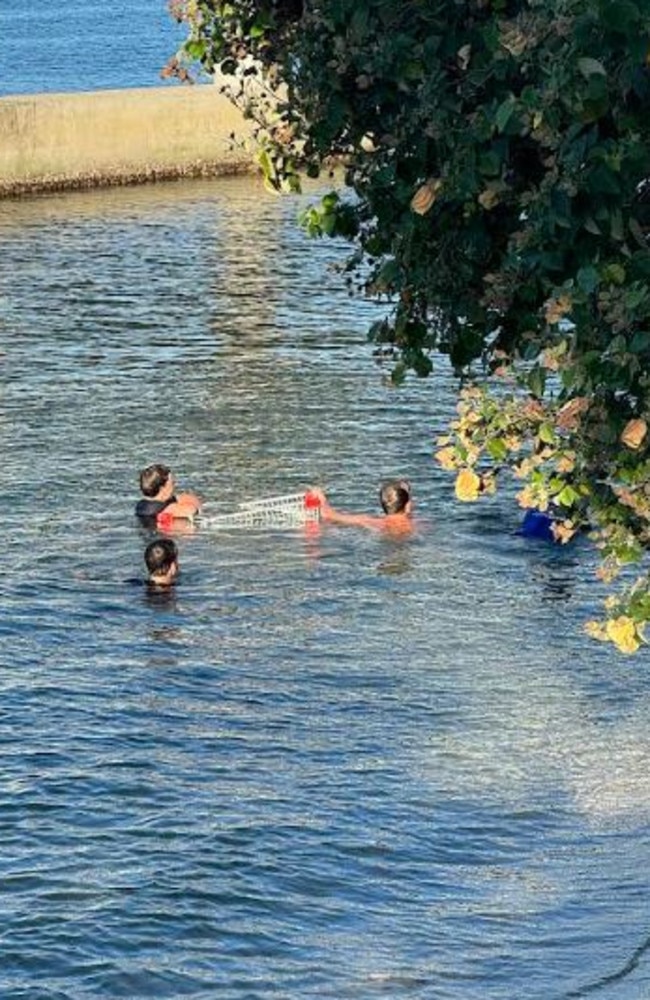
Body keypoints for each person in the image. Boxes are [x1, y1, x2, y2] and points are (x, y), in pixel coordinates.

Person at [311, 480, 415, 536]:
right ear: (407, 505)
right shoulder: (416, 526)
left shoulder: (371, 522)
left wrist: (320, 497)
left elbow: (328, 514)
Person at [135, 463, 201, 526]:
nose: (174, 486)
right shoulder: (164, 509)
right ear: (163, 488)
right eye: (172, 483)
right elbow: (191, 510)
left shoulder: (141, 505)